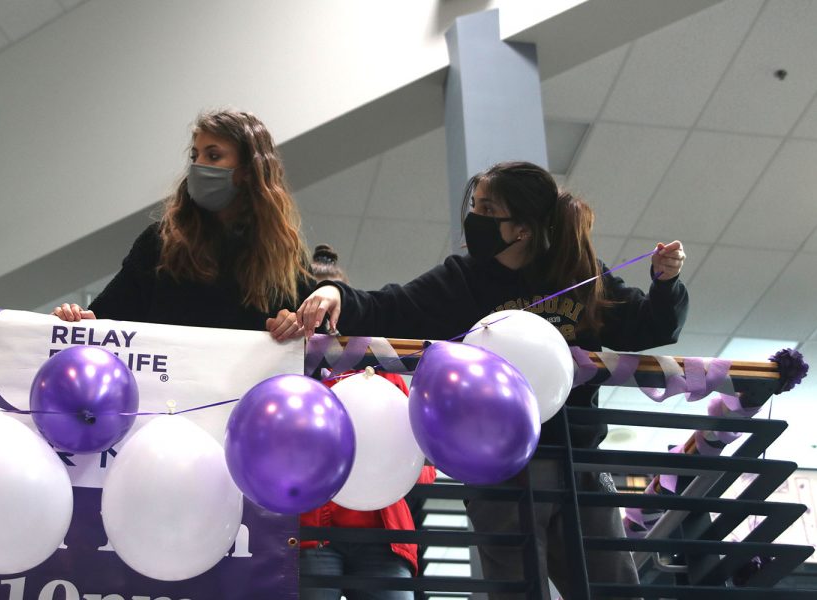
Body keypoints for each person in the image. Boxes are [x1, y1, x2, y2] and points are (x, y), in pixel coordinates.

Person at [279, 161, 688, 600]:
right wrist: (335, 293)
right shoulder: (462, 280)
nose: (474, 217)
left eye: (487, 208)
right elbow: (390, 305)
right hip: (499, 473)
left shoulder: (577, 272)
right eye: (474, 205)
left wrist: (667, 283)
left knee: (612, 588)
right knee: (515, 591)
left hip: (576, 462)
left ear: (522, 229)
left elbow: (649, 328)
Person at [52, 108, 310, 336]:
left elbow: (325, 332)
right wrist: (73, 320)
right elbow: (103, 321)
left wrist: (295, 324)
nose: (198, 166)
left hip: (248, 392)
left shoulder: (281, 253)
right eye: (194, 156)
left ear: (247, 171)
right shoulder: (160, 242)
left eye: (213, 156)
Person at [295, 244, 436, 600]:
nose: (323, 320)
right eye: (313, 310)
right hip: (310, 532)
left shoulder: (386, 374)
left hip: (385, 537)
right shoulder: (289, 375)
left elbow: (423, 468)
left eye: (330, 310)